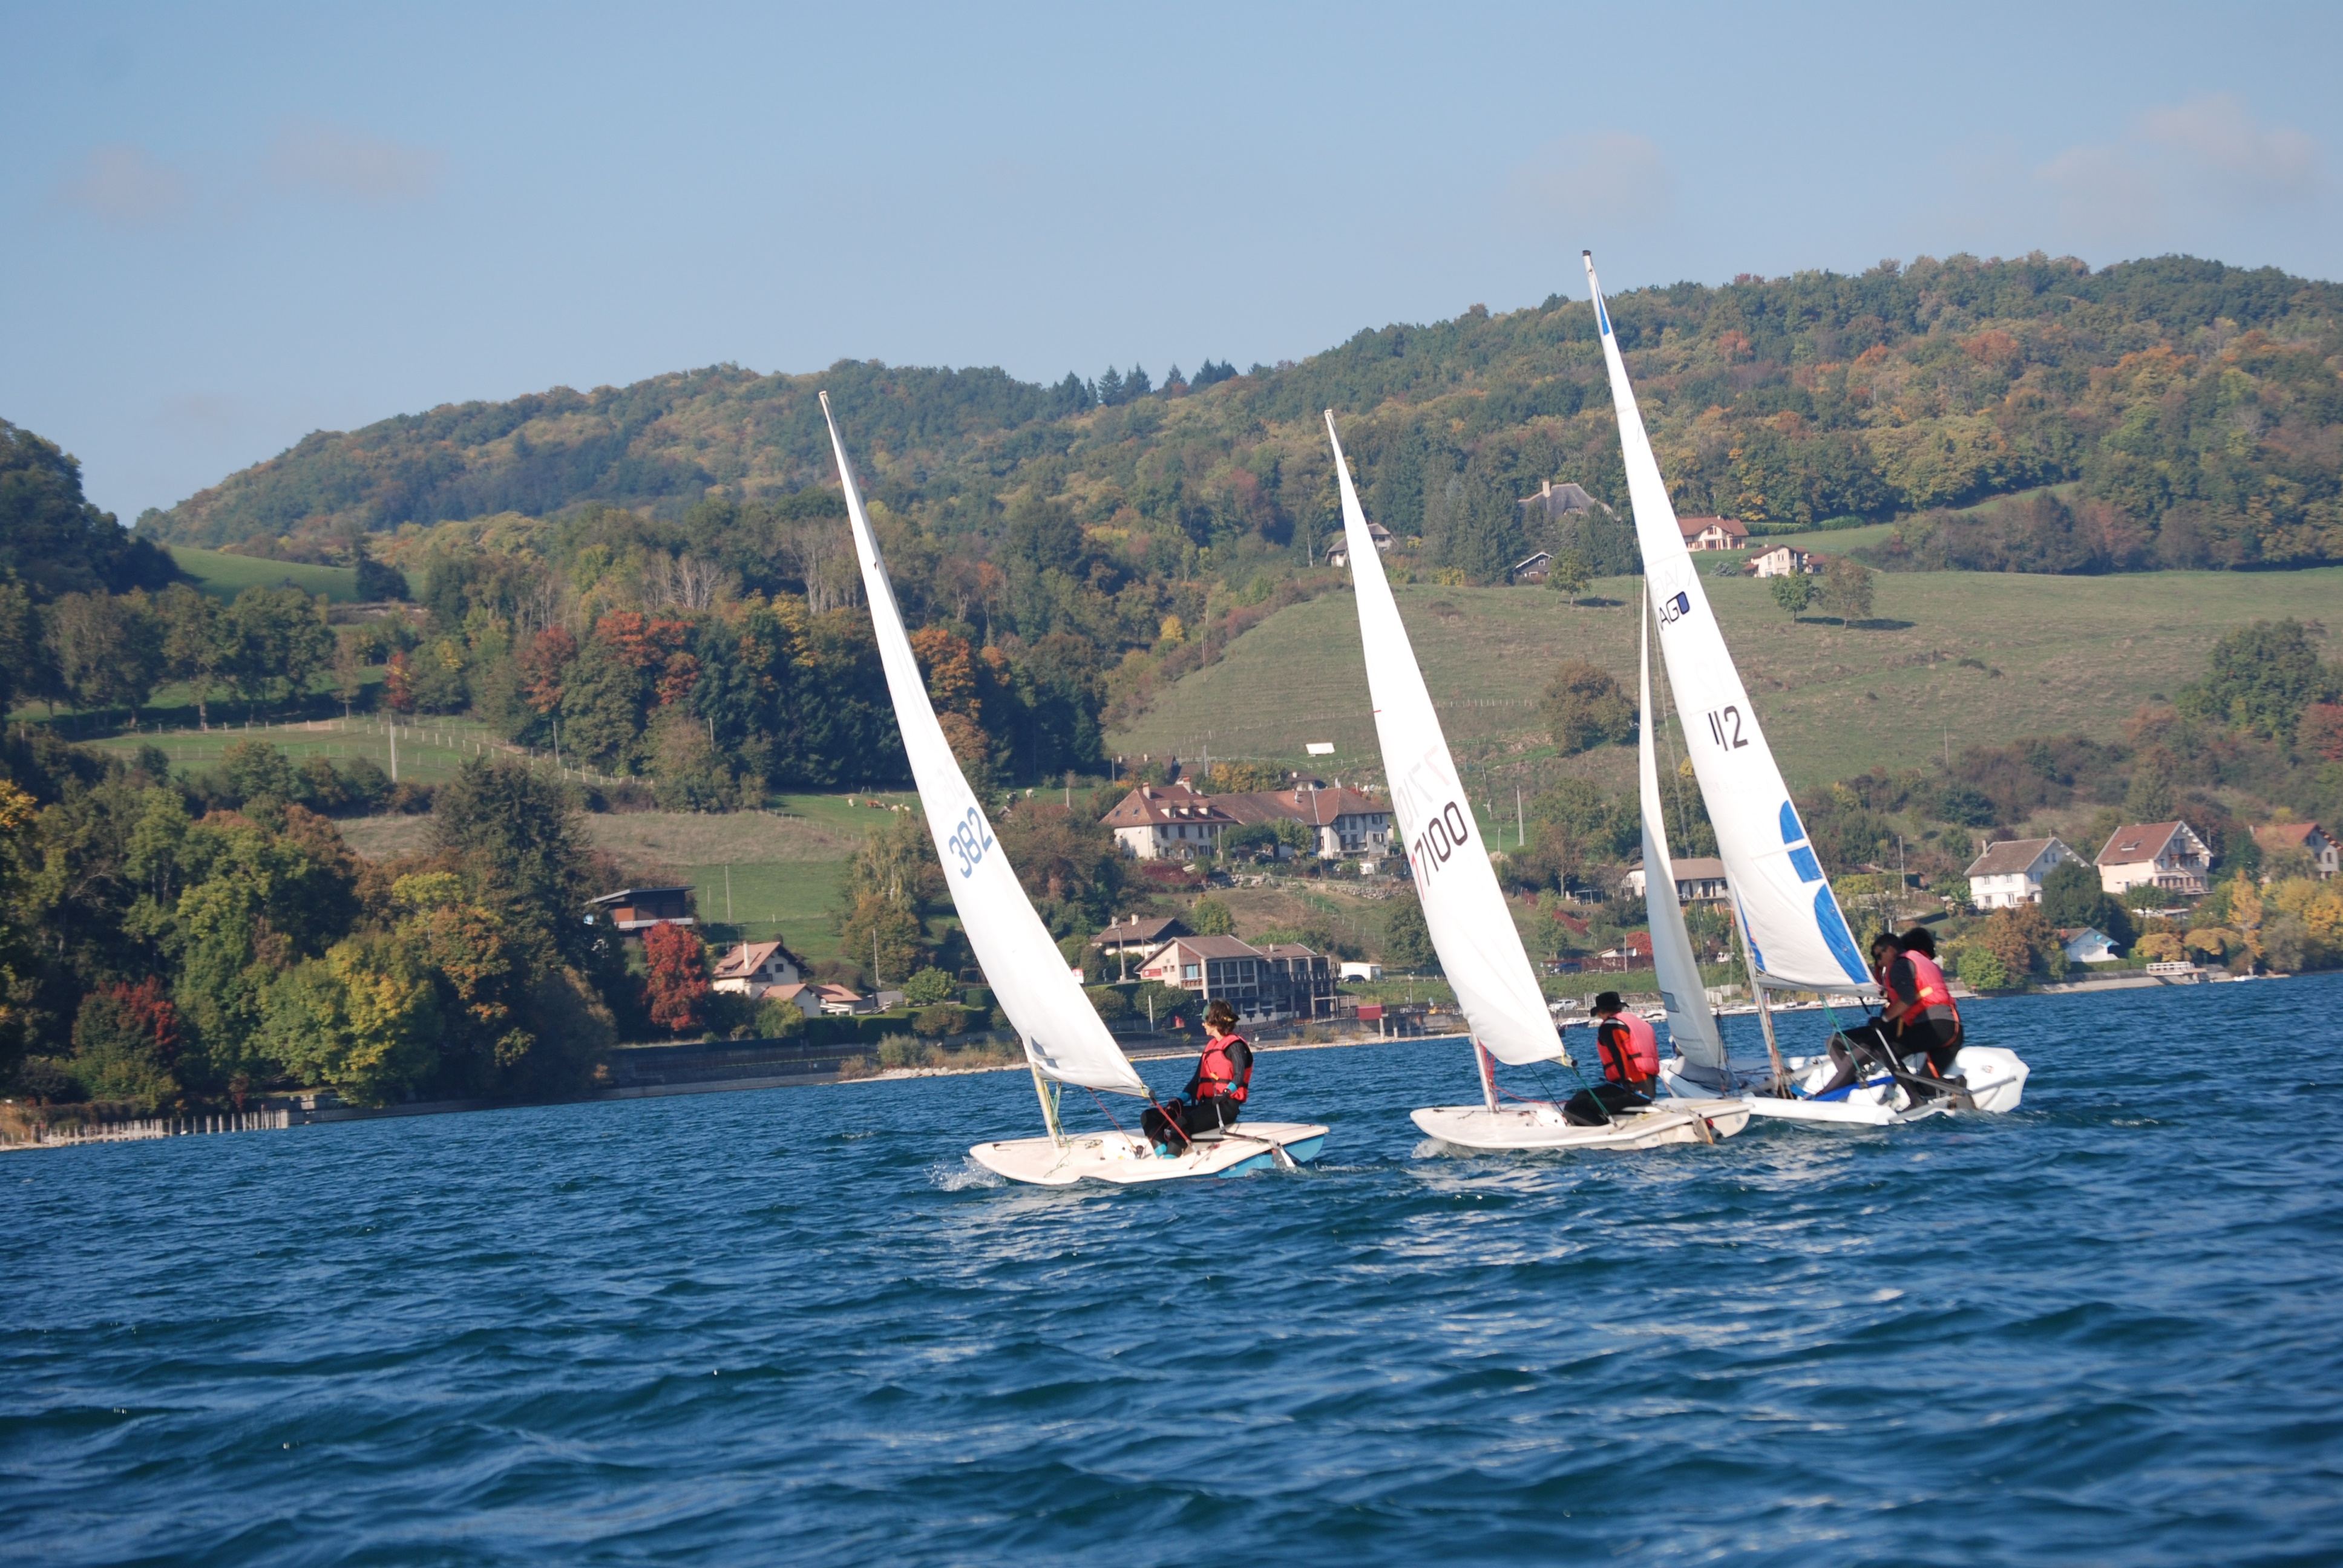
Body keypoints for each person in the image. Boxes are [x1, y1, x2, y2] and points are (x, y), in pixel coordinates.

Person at [1143, 998, 1252, 1154]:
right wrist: (1180, 1101)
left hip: (1225, 1108)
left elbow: (1239, 1076)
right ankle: (1163, 1157)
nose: (1202, 1024)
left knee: (1182, 1123)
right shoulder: (1210, 1048)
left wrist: (1227, 1093)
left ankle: (1171, 1161)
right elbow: (1196, 1082)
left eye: (1204, 1020)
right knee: (1149, 1116)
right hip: (1203, 1107)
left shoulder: (1235, 1046)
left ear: (1214, 1021)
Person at [1562, 991, 1657, 1126]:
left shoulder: (1609, 1026)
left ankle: (1605, 1133)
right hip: (1649, 1091)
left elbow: (1618, 1054)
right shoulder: (1641, 1023)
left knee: (1574, 1106)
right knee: (1589, 1097)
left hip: (1630, 1091)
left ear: (1601, 1012)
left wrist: (1625, 1082)